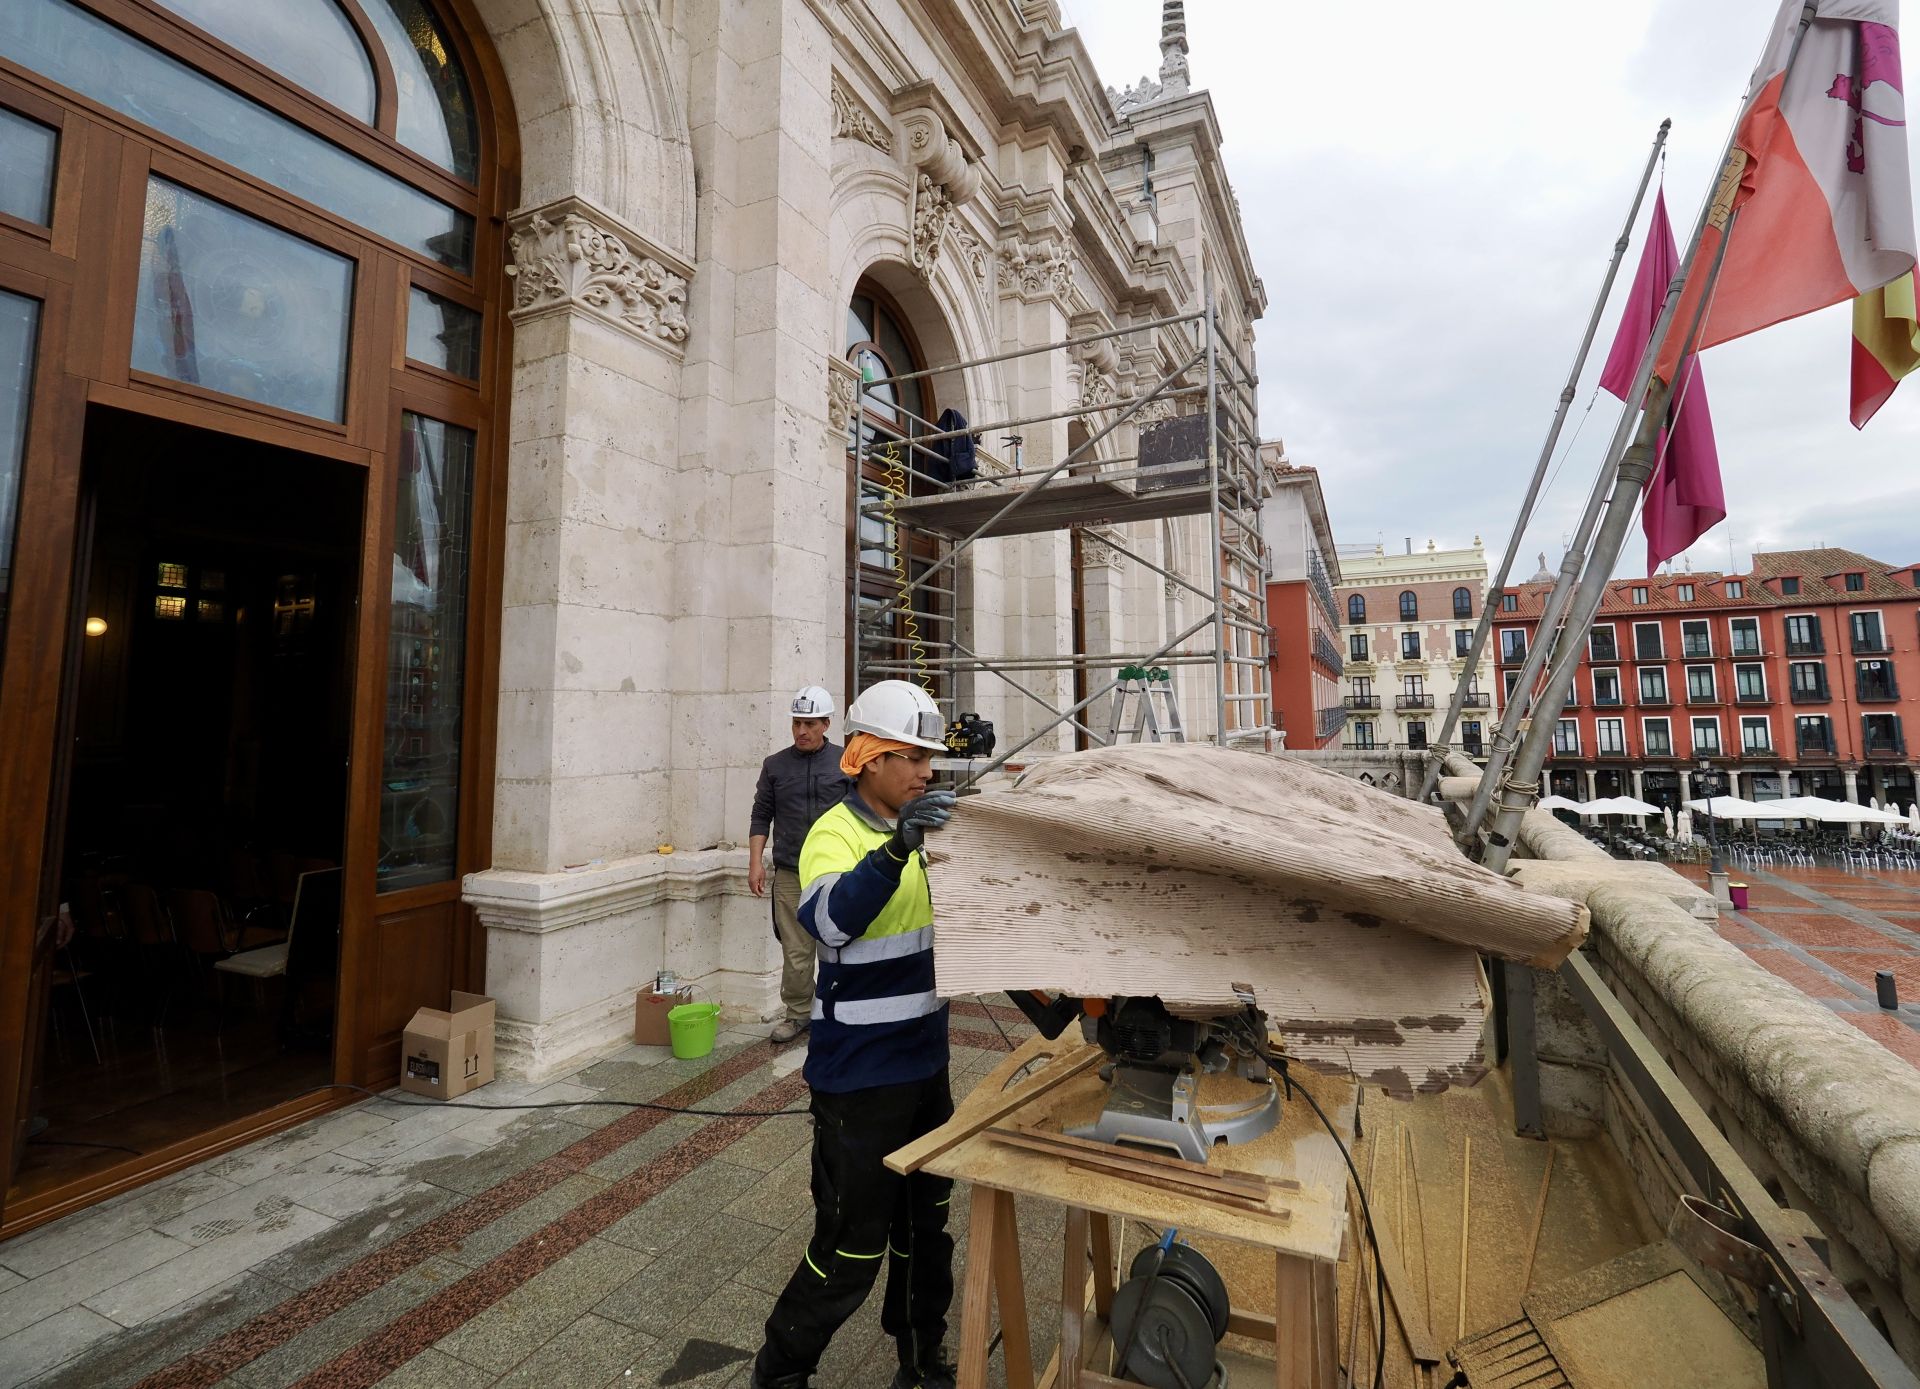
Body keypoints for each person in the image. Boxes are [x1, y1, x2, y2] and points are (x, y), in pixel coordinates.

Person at [751, 680, 960, 1389]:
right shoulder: (832, 835)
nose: (925, 771)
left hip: (926, 1067)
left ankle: (920, 1358)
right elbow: (833, 920)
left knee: (925, 1233)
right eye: (910, 756)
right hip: (861, 1083)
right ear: (867, 757)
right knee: (851, 1246)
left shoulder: (925, 830)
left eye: (930, 757)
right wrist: (898, 847)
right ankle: (780, 1370)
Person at [750, 686, 853, 1043]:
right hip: (791, 873)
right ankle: (798, 1013)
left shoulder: (845, 762)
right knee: (796, 952)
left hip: (837, 873)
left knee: (843, 945)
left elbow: (862, 812)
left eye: (809, 723)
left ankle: (843, 1009)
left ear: (826, 723)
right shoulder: (775, 766)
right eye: (796, 723)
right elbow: (761, 815)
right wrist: (755, 864)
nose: (801, 731)